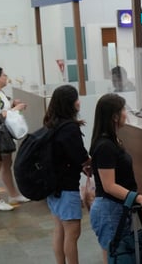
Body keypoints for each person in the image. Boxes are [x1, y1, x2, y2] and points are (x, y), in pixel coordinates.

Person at [89, 93, 142, 263]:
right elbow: (109, 186)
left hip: (114, 209)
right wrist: (141, 198)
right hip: (109, 210)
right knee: (116, 255)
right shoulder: (105, 145)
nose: (125, 114)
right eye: (123, 110)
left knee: (114, 254)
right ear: (114, 116)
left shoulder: (111, 141)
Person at [44, 84, 90, 264]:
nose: (79, 102)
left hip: (53, 185)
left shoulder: (50, 123)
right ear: (70, 103)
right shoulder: (69, 128)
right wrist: (88, 163)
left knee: (59, 229)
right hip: (66, 187)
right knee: (72, 233)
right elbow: (79, 155)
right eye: (76, 99)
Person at [0, 66, 29, 211]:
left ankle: (13, 194)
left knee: (7, 164)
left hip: (3, 136)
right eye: (4, 75)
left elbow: (2, 111)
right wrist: (14, 110)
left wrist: (12, 106)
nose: (6, 77)